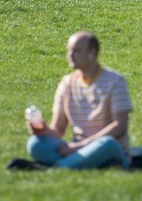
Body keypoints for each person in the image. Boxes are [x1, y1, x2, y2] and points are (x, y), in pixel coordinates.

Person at [23, 31, 132, 170]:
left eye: (76, 51)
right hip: (77, 149)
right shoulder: (67, 83)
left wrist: (80, 146)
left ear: (92, 53)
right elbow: (58, 130)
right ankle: (76, 163)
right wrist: (43, 130)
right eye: (69, 51)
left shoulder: (115, 81)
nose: (70, 56)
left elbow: (119, 127)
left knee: (108, 143)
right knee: (35, 143)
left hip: (106, 147)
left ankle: (59, 167)